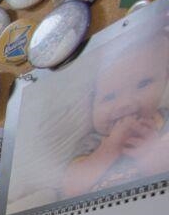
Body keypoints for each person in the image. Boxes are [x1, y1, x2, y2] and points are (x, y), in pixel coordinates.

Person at [63, 19, 169, 198]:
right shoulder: (93, 142)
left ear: (164, 80)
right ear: (92, 104)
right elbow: (70, 190)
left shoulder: (165, 123)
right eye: (109, 97)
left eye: (143, 84)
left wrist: (150, 153)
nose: (125, 104)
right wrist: (109, 149)